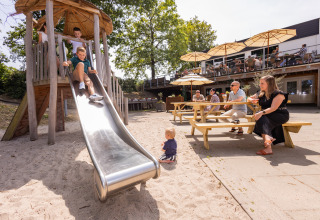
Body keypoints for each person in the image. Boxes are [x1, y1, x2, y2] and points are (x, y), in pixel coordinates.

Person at [248, 75, 289, 155]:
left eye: (262, 83)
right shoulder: (261, 93)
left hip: (280, 115)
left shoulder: (278, 94)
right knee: (261, 118)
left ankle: (268, 144)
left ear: (269, 84)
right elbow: (248, 98)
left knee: (260, 117)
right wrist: (251, 100)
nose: (260, 85)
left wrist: (261, 113)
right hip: (267, 114)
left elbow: (273, 108)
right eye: (260, 83)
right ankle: (268, 141)